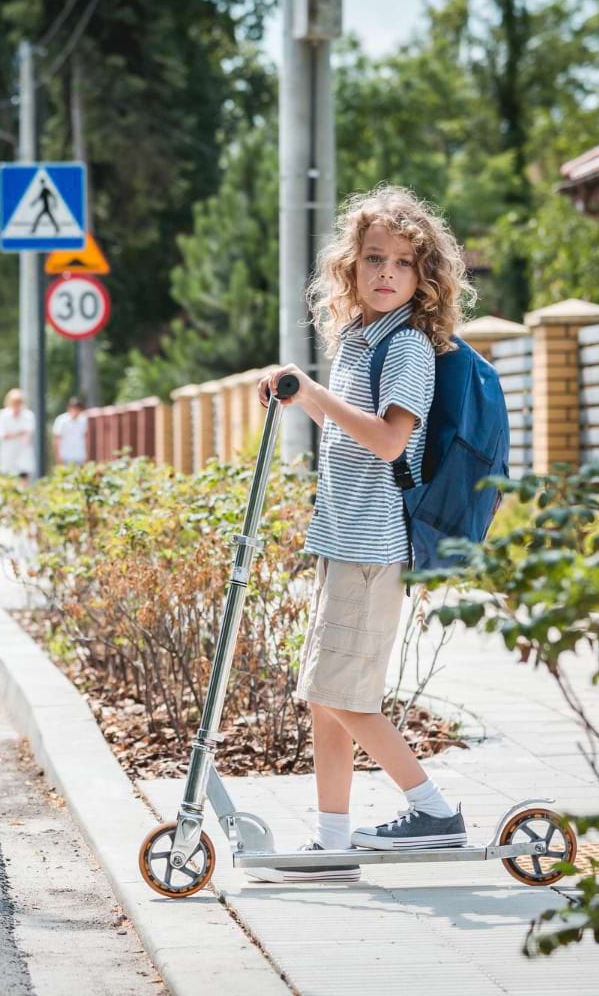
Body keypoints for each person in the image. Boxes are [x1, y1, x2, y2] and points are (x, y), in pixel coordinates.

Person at [251, 185, 472, 883]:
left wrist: (312, 393)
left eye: (403, 264)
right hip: (340, 537)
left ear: (423, 277)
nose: (386, 273)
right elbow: (347, 432)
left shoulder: (406, 345)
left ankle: (432, 809)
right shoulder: (356, 340)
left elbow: (385, 442)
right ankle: (334, 839)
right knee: (326, 693)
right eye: (374, 259)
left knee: (347, 698)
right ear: (350, 268)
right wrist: (299, 395)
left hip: (375, 545)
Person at [0, 388, 36, 482]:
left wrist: (12, 435)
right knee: (8, 480)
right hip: (7, 455)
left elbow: (28, 433)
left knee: (24, 478)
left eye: (19, 402)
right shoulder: (2, 415)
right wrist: (19, 434)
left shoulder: (28, 415)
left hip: (23, 454)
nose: (17, 405)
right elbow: (1, 435)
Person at [51, 396, 88, 466]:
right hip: (65, 456)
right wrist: (57, 456)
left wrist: (86, 454)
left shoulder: (83, 420)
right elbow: (56, 439)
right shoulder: (61, 420)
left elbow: (85, 437)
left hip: (80, 455)